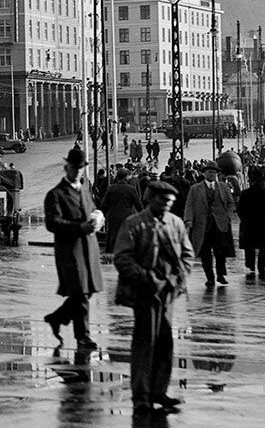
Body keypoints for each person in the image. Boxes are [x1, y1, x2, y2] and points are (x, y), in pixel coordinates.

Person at [113, 179, 195, 413]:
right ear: (152, 199)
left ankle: (159, 391)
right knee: (144, 343)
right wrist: (146, 278)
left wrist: (176, 280)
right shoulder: (134, 224)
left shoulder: (175, 223)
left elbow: (187, 255)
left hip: (168, 292)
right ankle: (141, 396)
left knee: (165, 343)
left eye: (171, 202)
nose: (167, 205)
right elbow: (122, 258)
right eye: (163, 200)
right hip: (144, 292)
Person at [43, 145, 102, 349]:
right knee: (81, 294)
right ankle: (82, 337)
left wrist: (97, 217)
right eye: (74, 168)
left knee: (87, 291)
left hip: (89, 247)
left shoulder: (84, 189)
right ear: (66, 168)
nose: (77, 171)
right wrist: (79, 227)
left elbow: (92, 209)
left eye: (80, 168)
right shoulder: (56, 194)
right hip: (70, 250)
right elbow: (52, 223)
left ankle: (57, 318)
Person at [184, 162, 236, 288]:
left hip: (220, 225)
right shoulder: (195, 188)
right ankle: (210, 278)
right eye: (210, 172)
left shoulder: (223, 187)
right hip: (202, 225)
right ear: (204, 173)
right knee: (205, 253)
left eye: (214, 172)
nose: (212, 174)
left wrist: (227, 216)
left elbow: (231, 203)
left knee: (221, 251)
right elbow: (189, 205)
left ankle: (220, 274)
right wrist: (189, 220)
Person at [234, 165, 265, 281]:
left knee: (249, 247)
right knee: (263, 248)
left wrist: (244, 220)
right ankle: (261, 267)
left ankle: (251, 266)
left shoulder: (245, 194)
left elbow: (240, 210)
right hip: (264, 225)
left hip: (249, 224)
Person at [99, 169, 142, 255]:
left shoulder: (111, 188)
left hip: (113, 216)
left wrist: (103, 215)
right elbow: (138, 205)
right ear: (127, 178)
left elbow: (104, 204)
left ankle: (111, 254)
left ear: (117, 177)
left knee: (112, 236)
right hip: (128, 216)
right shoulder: (131, 189)